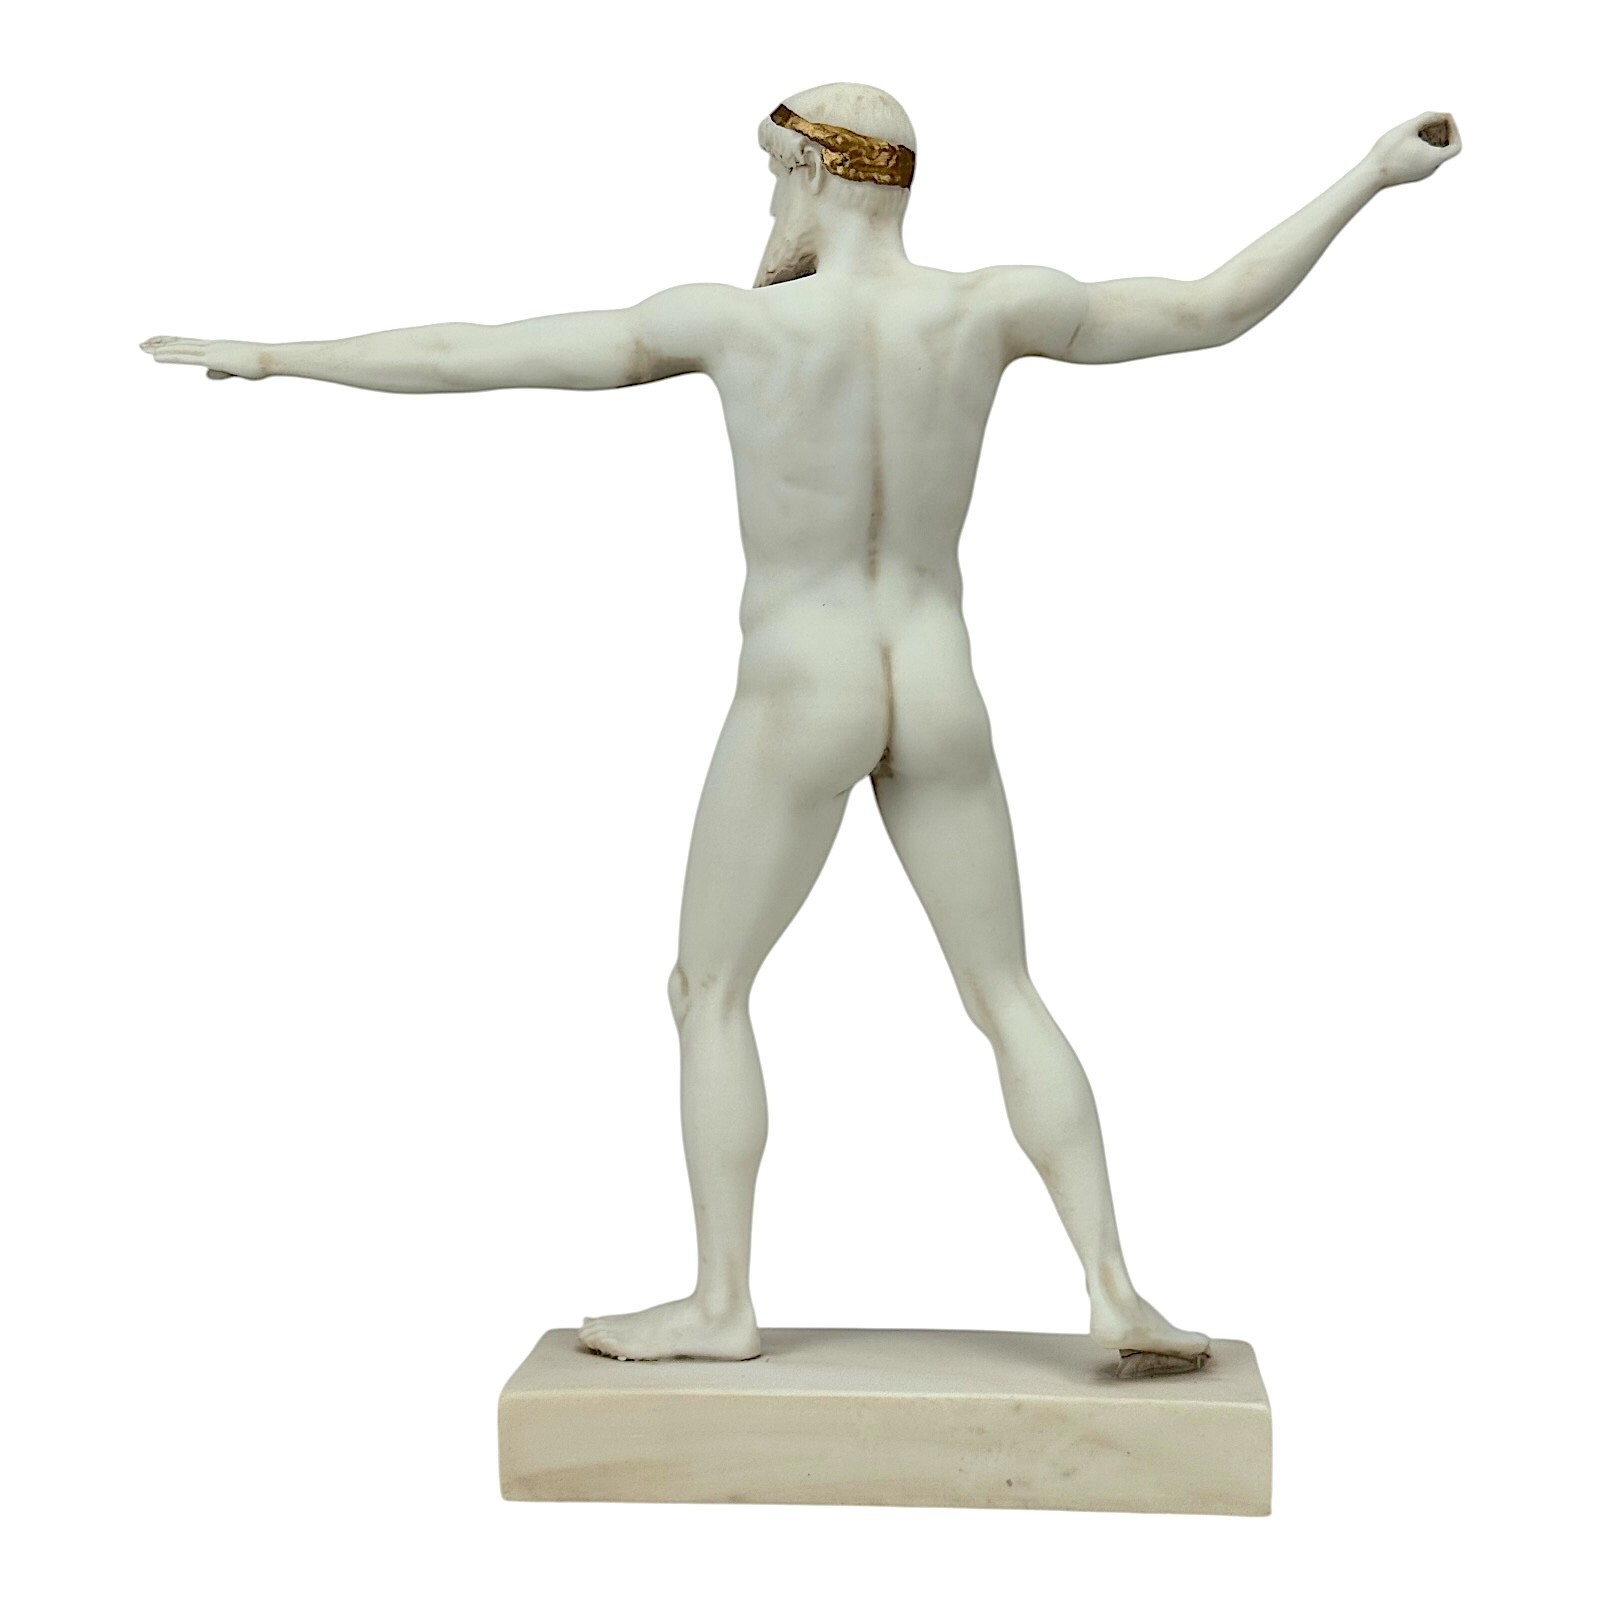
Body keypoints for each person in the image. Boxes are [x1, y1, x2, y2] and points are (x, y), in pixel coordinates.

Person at [144, 84, 1460, 1373]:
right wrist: (1368, 176)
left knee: (708, 987)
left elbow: (472, 353)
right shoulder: (992, 306)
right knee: (1004, 991)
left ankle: (723, 1302)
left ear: (817, 174)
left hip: (802, 681)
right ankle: (1116, 1289)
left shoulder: (733, 324)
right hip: (935, 677)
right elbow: (1211, 307)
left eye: (775, 175)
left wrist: (277, 356)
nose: (769, 202)